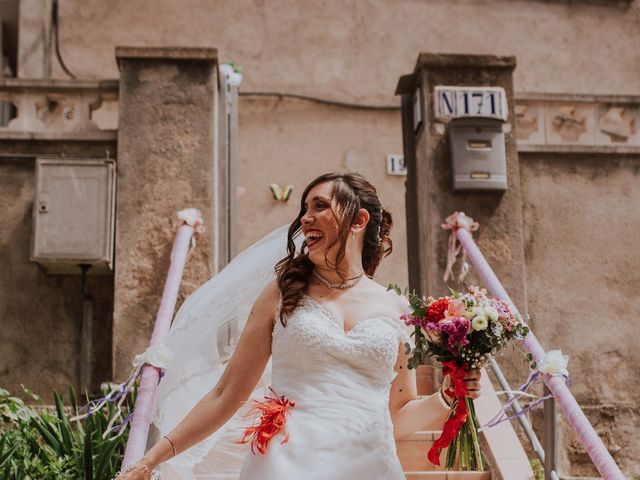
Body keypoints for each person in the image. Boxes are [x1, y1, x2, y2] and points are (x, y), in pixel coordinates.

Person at [117, 172, 481, 480]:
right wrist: (150, 460)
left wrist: (450, 395)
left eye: (320, 206)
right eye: (304, 209)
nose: (306, 218)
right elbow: (226, 394)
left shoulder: (396, 306)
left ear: (358, 221)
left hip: (369, 466)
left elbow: (399, 415)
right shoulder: (281, 293)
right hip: (287, 463)